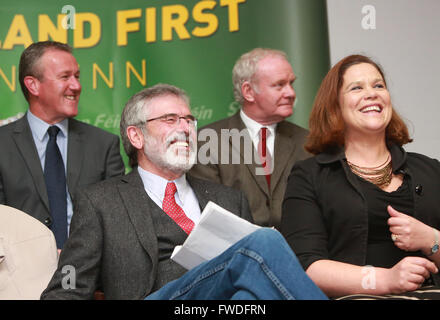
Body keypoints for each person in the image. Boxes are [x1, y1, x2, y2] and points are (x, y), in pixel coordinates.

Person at [41, 84, 327, 300]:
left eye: (189, 120)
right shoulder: (101, 202)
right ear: (136, 136)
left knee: (246, 298)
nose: (186, 129)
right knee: (262, 242)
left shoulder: (229, 199)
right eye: (170, 120)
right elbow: (70, 284)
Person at [281, 54, 440, 299]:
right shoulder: (309, 176)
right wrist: (385, 279)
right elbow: (307, 267)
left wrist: (431, 239)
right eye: (357, 88)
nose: (372, 93)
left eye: (378, 86)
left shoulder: (430, 170)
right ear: (335, 107)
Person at [0, 41, 125, 249]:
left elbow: (117, 221)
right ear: (33, 85)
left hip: (88, 272)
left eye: (77, 76)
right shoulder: (3, 144)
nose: (76, 86)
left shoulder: (103, 145)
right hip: (20, 272)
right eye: (65, 77)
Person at [190, 48, 310, 229]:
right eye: (279, 85)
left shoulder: (308, 142)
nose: (291, 93)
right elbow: (212, 216)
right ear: (248, 91)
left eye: (291, 83)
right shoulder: (208, 141)